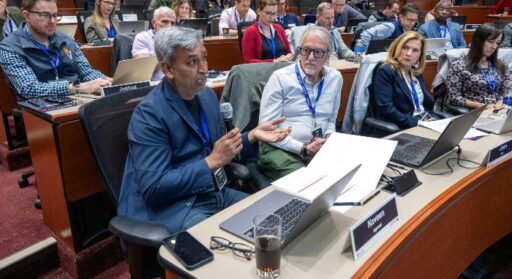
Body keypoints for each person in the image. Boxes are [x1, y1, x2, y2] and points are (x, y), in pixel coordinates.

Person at [118, 27, 291, 232]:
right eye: (192, 62)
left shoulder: (206, 96)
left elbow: (220, 151)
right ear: (168, 69)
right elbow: (155, 188)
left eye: (204, 58)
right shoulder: (149, 115)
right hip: (173, 208)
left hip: (211, 193)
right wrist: (211, 161)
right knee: (231, 250)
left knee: (276, 220)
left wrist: (251, 136)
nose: (203, 68)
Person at [258, 25, 342, 180]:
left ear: (328, 55)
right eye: (305, 50)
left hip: (318, 148)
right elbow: (267, 130)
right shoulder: (280, 78)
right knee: (311, 182)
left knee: (347, 174)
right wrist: (302, 149)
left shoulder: (335, 78)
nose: (310, 57)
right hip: (280, 148)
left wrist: (329, 136)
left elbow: (330, 119)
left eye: (317, 52)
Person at [0, 0, 111, 100]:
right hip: (40, 106)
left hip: (77, 98)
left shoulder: (67, 40)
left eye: (55, 15)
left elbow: (86, 72)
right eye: (45, 15)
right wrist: (76, 88)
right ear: (27, 15)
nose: (53, 21)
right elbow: (30, 88)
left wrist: (107, 81)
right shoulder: (9, 47)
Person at [373, 31, 435, 129]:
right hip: (404, 125)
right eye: (405, 48)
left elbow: (425, 104)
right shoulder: (386, 71)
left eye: (415, 50)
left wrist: (432, 119)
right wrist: (417, 123)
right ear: (396, 48)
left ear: (420, 55)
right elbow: (386, 109)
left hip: (424, 121)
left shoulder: (415, 72)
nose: (409, 54)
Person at [447, 24, 512, 109]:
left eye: (497, 43)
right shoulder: (459, 66)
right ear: (479, 41)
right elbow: (453, 97)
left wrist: (499, 105)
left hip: (499, 110)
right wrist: (481, 106)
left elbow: (508, 90)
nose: (494, 47)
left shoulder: (501, 65)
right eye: (490, 41)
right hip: (473, 112)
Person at [132, 7, 176, 81]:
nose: (169, 27)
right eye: (165, 21)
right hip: (152, 86)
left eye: (172, 23)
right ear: (154, 23)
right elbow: (145, 69)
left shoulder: (178, 39)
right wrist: (166, 45)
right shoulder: (143, 37)